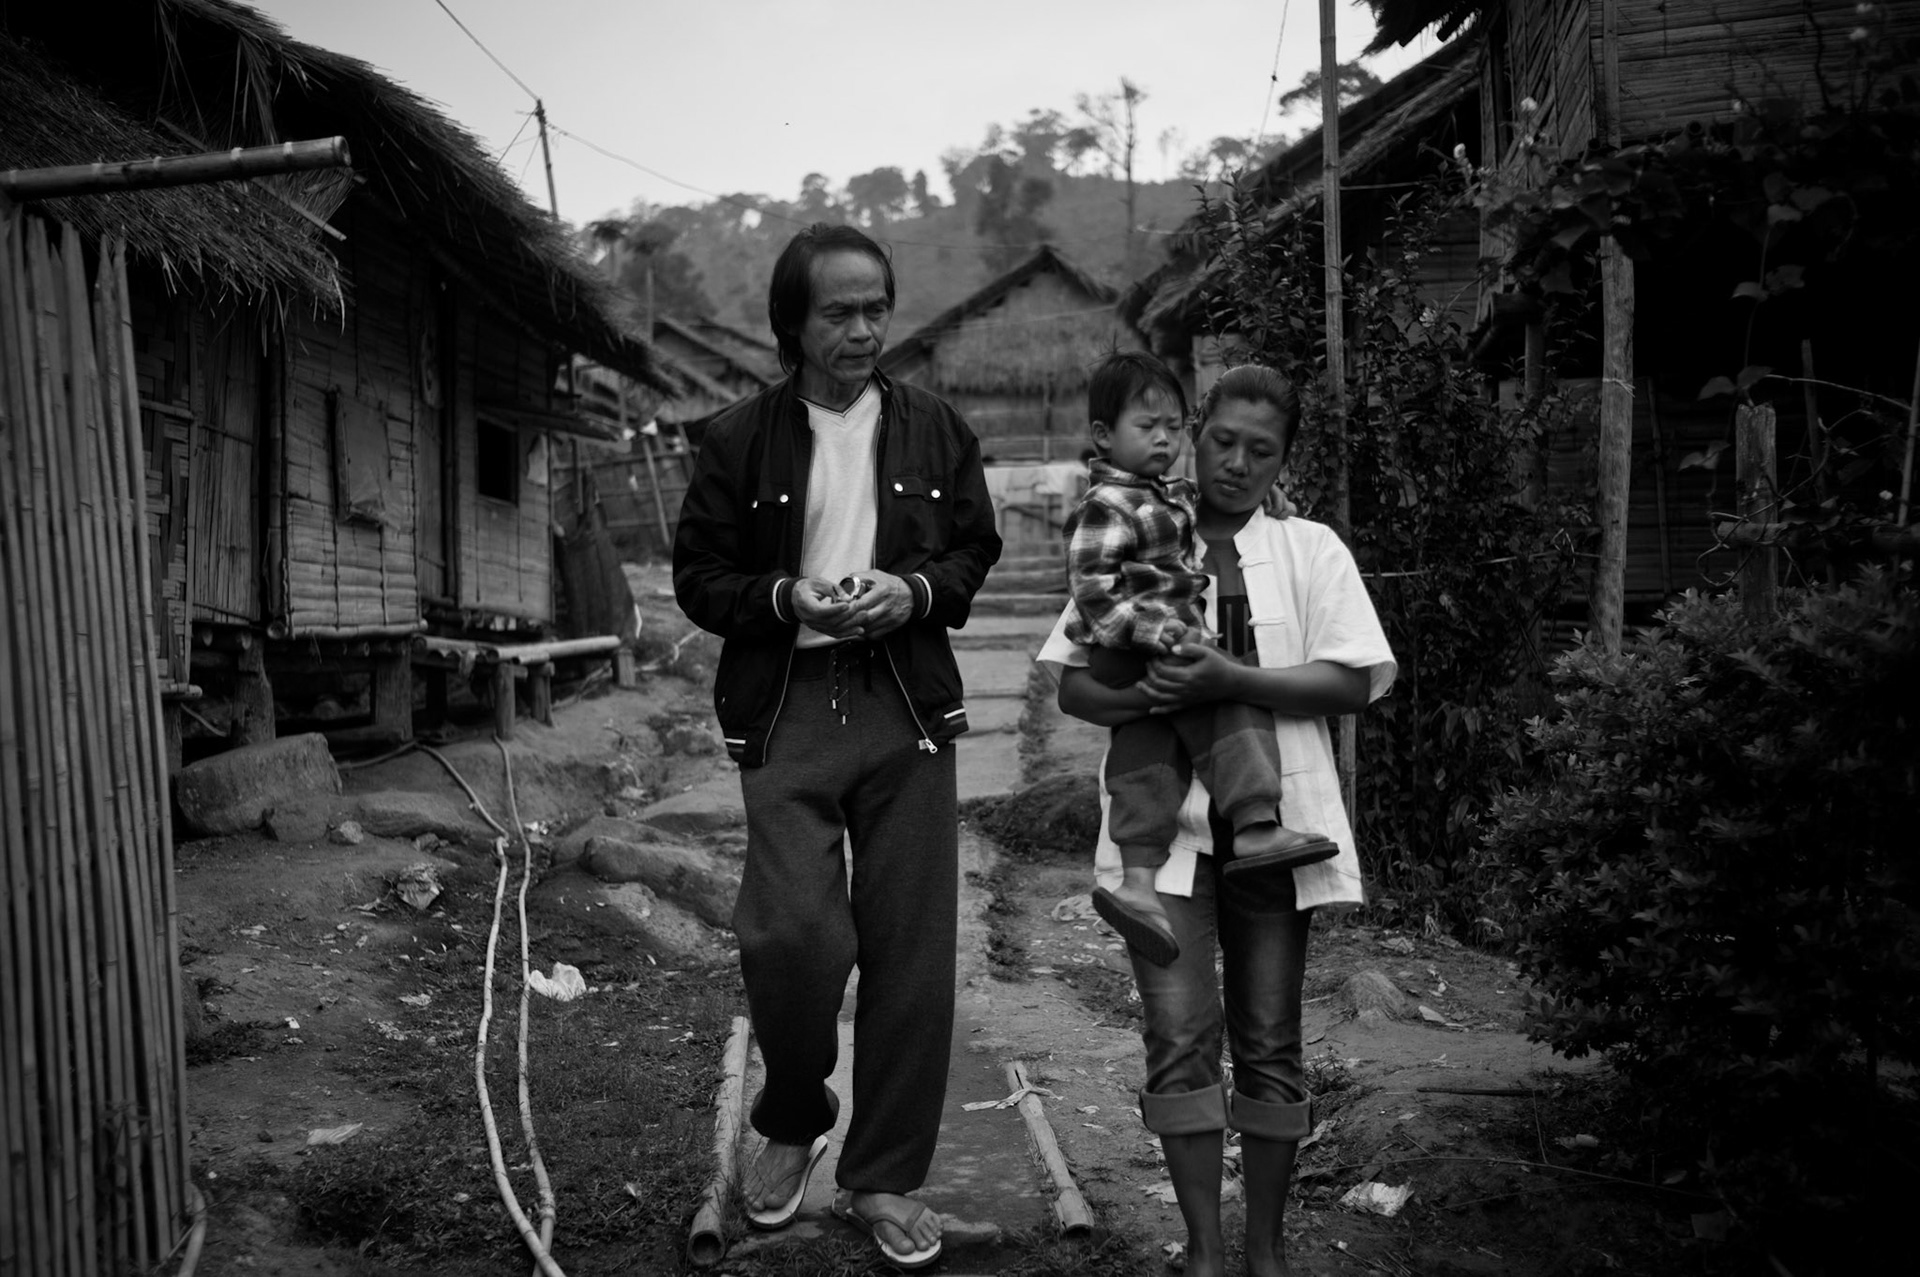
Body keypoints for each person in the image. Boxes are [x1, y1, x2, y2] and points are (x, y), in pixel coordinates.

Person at [672, 223, 1002, 1270]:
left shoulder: (938, 428)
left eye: (875, 308)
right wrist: (784, 595)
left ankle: (886, 1177)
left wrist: (913, 588)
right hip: (790, 704)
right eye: (838, 312)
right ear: (793, 324)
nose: (863, 330)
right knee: (790, 936)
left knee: (912, 951)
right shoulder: (735, 439)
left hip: (904, 701)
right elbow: (699, 577)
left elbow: (971, 550)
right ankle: (792, 1109)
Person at [1040, 364, 1396, 1277]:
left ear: (1285, 459)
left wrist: (1230, 682)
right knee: (1177, 1034)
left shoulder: (1312, 549)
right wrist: (1162, 686)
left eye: (1261, 450)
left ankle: (1266, 1253)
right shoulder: (1137, 524)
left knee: (1271, 1038)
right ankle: (1204, 1252)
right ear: (1194, 433)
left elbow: (1352, 679)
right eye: (1222, 441)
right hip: (1164, 841)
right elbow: (1075, 682)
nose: (1236, 463)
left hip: (1278, 830)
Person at [1062, 353, 1336, 968]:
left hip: (1145, 647)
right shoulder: (1106, 505)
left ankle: (1137, 884)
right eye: (1145, 427)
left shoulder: (1167, 496)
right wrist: (1164, 638)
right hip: (1125, 644)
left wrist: (1271, 499)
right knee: (1230, 696)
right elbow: (1095, 594)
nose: (1162, 439)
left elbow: (1205, 503)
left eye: (1171, 427)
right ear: (1104, 436)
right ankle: (1256, 823)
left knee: (1147, 749)